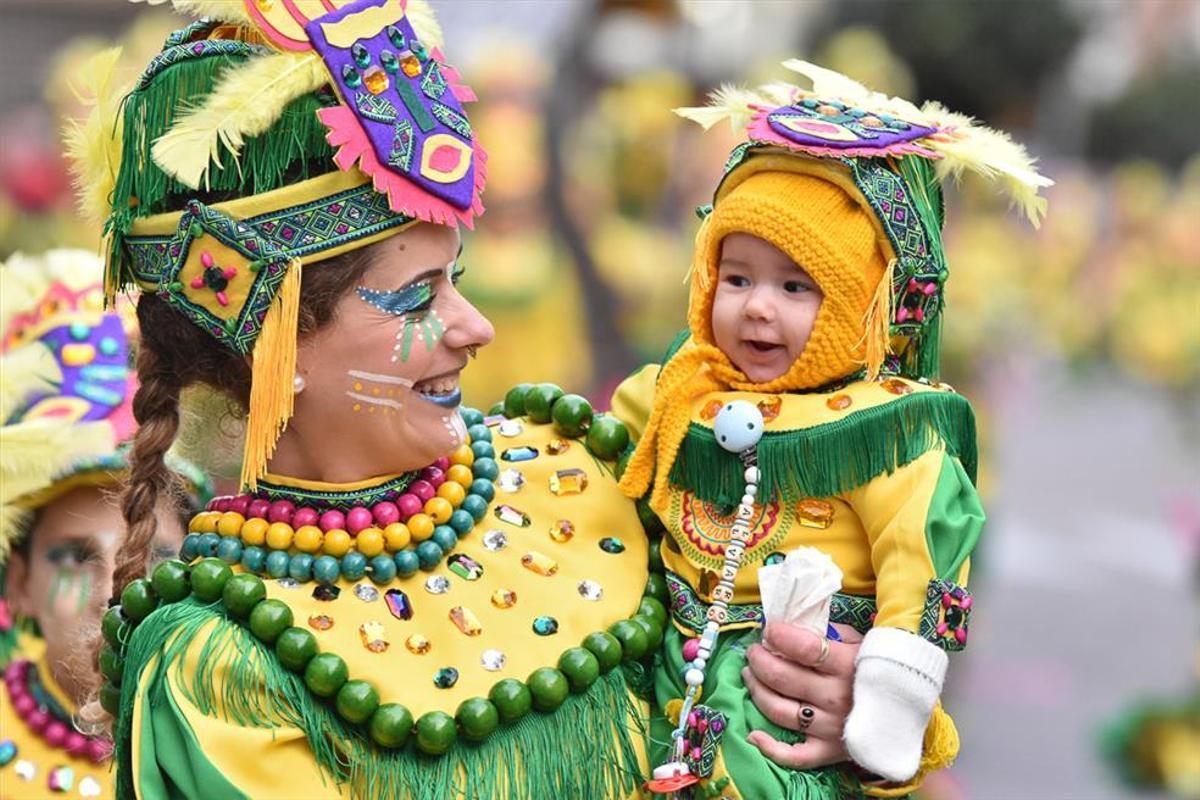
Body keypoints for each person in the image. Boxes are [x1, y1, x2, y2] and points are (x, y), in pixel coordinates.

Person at [612, 61, 1051, 797]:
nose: (757, 308)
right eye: (738, 276)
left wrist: (894, 699)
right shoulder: (677, 391)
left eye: (796, 287)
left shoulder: (892, 430)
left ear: (862, 306)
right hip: (655, 668)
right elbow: (592, 457)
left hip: (776, 703)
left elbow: (922, 561)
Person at [0, 249, 208, 798]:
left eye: (158, 556)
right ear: (18, 582)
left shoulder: (245, 740)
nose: (117, 593)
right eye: (75, 556)